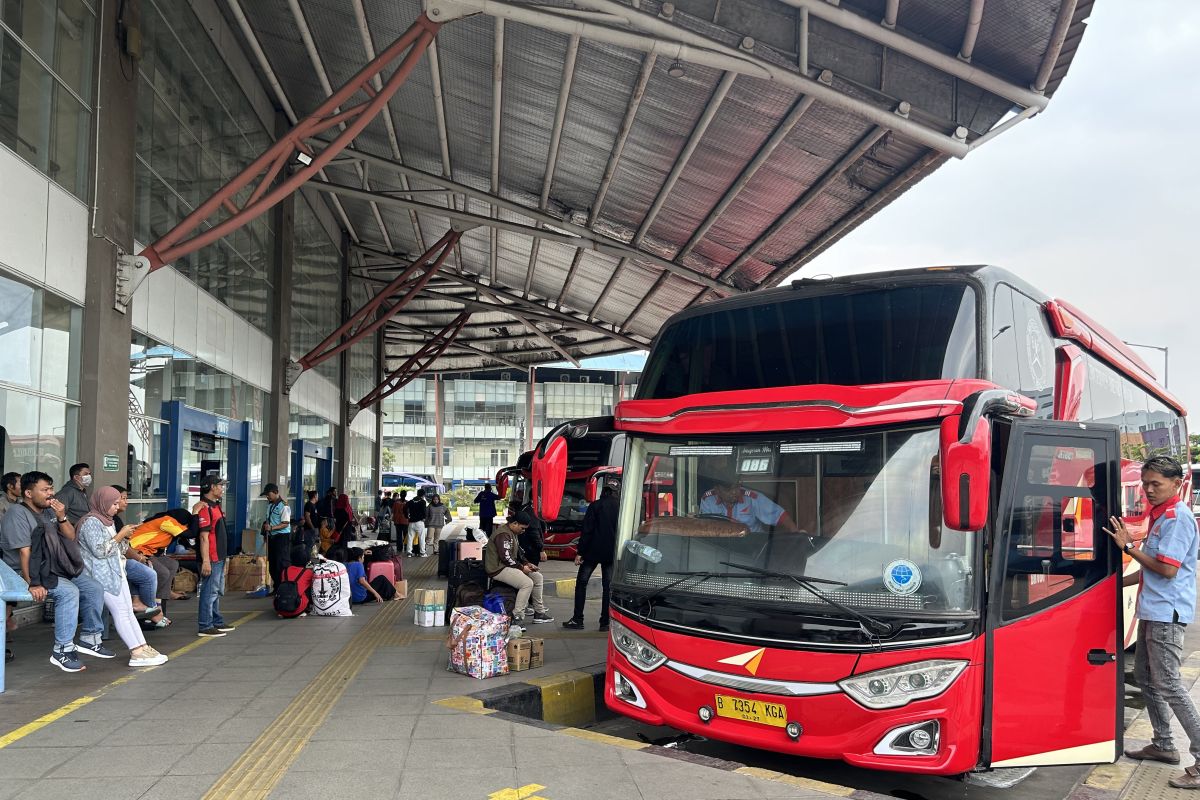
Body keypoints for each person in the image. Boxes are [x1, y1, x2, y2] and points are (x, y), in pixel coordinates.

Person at [1105, 455, 1200, 790]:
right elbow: (1151, 570)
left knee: (1170, 684)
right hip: (1152, 609)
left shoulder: (1176, 518)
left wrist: (1128, 547)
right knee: (1146, 677)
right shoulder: (1160, 515)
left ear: (1176, 483)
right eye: (1145, 483)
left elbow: (1167, 569)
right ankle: (1163, 744)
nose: (1148, 490)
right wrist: (1114, 583)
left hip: (1166, 614)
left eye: (1155, 484)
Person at [0, 471, 109, 671]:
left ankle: (90, 638)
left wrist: (61, 517)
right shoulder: (17, 513)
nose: (51, 493)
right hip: (23, 572)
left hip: (52, 568)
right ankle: (62, 650)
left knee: (93, 587)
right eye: (45, 490)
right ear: (29, 493)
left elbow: (70, 537)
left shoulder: (49, 512)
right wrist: (32, 583)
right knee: (69, 592)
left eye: (51, 488)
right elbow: (25, 552)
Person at [77, 486, 168, 668]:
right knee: (121, 612)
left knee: (127, 612)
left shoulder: (107, 521)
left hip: (116, 573)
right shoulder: (90, 522)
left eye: (118, 503)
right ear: (103, 503)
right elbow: (100, 551)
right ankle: (136, 652)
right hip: (101, 577)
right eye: (114, 504)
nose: (117, 507)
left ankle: (143, 647)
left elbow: (117, 548)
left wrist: (125, 537)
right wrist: (120, 535)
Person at [563, 481, 619, 632]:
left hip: (592, 552)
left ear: (604, 491)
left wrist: (580, 552)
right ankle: (605, 622)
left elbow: (587, 530)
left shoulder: (595, 505)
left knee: (582, 583)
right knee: (608, 587)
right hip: (610, 553)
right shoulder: (620, 507)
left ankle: (578, 619)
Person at [484, 511, 553, 632]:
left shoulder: (513, 533)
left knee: (537, 577)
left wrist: (526, 563)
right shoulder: (503, 534)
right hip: (497, 568)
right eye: (522, 528)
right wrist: (521, 568)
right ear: (514, 523)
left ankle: (539, 612)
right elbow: (506, 557)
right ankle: (517, 617)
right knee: (527, 583)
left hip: (508, 565)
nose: (523, 531)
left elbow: (519, 553)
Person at [110, 485, 167, 627]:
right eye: (123, 499)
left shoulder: (116, 520)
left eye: (126, 498)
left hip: (122, 558)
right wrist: (139, 558)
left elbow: (124, 546)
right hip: (112, 563)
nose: (126, 502)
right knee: (149, 574)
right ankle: (152, 611)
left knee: (154, 568)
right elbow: (113, 548)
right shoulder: (98, 521)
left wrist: (139, 556)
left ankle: (142, 605)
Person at [194, 475, 234, 638]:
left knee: (215, 591)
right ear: (212, 487)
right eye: (220, 485)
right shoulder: (205, 508)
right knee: (209, 591)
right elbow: (204, 537)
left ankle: (216, 620)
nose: (222, 488)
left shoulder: (215, 506)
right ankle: (205, 625)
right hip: (212, 557)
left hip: (219, 556)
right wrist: (206, 561)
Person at [699, 472, 799, 534]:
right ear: (717, 490)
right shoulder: (707, 499)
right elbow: (704, 528)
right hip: (721, 546)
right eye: (728, 490)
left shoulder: (752, 498)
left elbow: (781, 516)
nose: (734, 492)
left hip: (753, 546)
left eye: (736, 487)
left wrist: (798, 536)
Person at [260, 483, 292, 593]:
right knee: (272, 564)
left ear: (275, 492)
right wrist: (265, 533)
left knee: (281, 564)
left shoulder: (284, 506)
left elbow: (285, 523)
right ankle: (276, 587)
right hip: (271, 537)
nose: (267, 497)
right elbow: (268, 520)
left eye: (268, 494)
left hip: (281, 538)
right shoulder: (270, 505)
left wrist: (272, 528)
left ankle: (283, 588)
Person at [275, 544, 315, 618]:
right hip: (298, 608)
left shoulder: (285, 571)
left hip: (280, 608)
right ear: (307, 560)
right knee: (311, 586)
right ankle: (307, 607)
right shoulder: (308, 572)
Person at [407, 489, 428, 557]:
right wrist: (424, 517)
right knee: (421, 538)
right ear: (423, 495)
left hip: (411, 522)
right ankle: (422, 552)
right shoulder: (422, 502)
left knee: (410, 538)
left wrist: (407, 516)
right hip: (419, 522)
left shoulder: (410, 502)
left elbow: (405, 509)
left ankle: (409, 552)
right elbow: (424, 511)